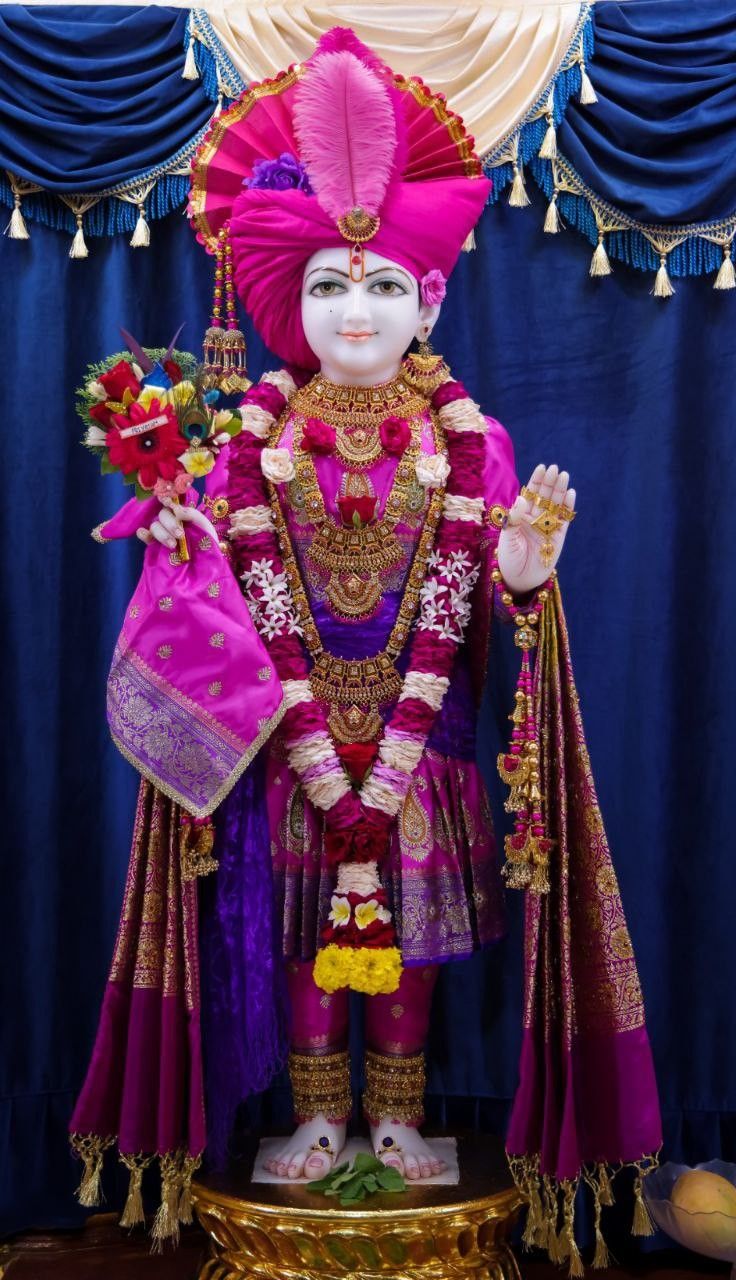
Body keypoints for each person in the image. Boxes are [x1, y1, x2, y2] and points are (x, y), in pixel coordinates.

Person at [71, 28, 660, 1252]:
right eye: (333, 286)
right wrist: (178, 545)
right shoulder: (244, 442)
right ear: (293, 302)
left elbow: (499, 600)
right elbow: (219, 602)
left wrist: (521, 576)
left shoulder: (467, 441)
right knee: (302, 932)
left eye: (383, 284)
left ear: (428, 299)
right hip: (286, 746)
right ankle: (317, 1114)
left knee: (413, 937)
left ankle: (398, 1121)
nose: (356, 309)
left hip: (425, 739)